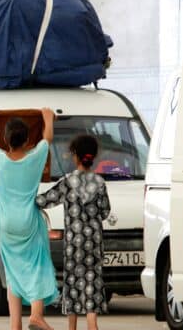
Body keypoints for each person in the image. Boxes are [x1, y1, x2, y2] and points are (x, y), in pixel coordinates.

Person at [0, 108, 59, 330]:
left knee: (13, 271)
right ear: (27, 141)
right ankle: (36, 314)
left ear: (5, 139)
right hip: (28, 223)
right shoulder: (34, 159)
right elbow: (48, 138)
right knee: (37, 265)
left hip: (5, 225)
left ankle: (15, 324)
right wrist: (46, 115)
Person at [35, 135, 111, 330]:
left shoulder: (68, 182)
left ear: (75, 156)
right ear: (93, 156)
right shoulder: (100, 182)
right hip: (94, 245)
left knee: (73, 287)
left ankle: (72, 328)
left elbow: (44, 200)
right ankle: (93, 325)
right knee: (91, 287)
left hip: (73, 246)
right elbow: (105, 212)